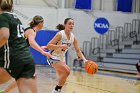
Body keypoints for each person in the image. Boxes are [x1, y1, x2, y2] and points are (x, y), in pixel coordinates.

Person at [0, 15, 53, 93]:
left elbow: (29, 43)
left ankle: (6, 91)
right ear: (40, 23)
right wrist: (43, 52)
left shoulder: (31, 31)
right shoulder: (32, 31)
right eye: (43, 23)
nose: (43, 25)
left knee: (25, 76)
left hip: (15, 54)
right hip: (16, 54)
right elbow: (31, 42)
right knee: (28, 75)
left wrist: (40, 48)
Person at [0, 0, 38, 92]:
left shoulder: (3, 17)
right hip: (27, 60)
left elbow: (4, 36)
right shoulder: (16, 18)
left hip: (13, 58)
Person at [45, 18, 88, 93]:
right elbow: (49, 46)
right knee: (67, 71)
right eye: (69, 23)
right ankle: (55, 90)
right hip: (53, 56)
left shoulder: (73, 37)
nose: (71, 25)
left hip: (62, 58)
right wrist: (61, 46)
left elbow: (78, 50)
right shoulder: (60, 34)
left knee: (63, 80)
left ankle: (58, 90)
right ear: (65, 25)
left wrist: (85, 60)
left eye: (73, 24)